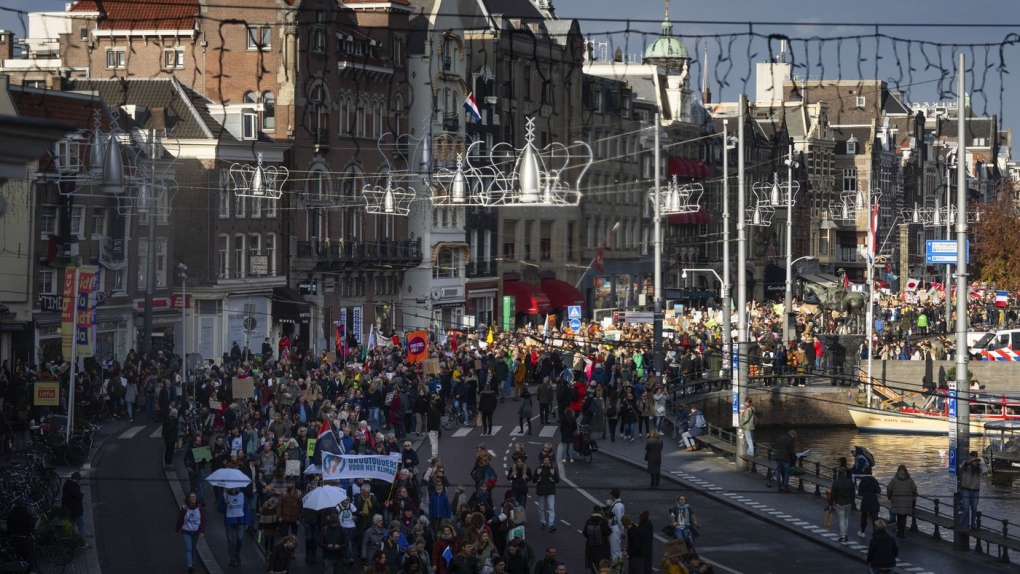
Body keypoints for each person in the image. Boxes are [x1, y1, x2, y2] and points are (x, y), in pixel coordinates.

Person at [174, 492, 206, 574]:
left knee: (193, 548)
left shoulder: (199, 508)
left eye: (194, 497)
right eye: (191, 497)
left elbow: (202, 520)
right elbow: (180, 520)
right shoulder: (184, 508)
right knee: (189, 547)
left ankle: (191, 562)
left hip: (196, 531)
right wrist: (177, 530)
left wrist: (202, 531)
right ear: (188, 499)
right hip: (186, 531)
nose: (193, 498)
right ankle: (189, 565)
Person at [217, 486, 249, 566]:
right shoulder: (224, 496)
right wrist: (225, 503)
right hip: (229, 521)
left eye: (235, 487)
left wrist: (247, 523)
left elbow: (246, 510)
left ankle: (237, 553)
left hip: (240, 521)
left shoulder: (242, 495)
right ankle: (232, 557)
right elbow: (220, 509)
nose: (233, 489)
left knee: (240, 538)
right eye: (231, 487)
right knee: (230, 540)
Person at [886, 464, 917, 538]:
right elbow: (914, 489)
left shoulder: (894, 479)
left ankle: (898, 532)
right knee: (903, 517)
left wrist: (889, 497)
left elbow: (889, 488)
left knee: (899, 516)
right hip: (906, 500)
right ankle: (902, 533)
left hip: (896, 499)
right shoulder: (909, 479)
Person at [959, 450, 986, 530]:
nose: (973, 458)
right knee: (966, 508)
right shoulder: (965, 463)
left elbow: (980, 471)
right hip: (966, 489)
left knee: (974, 508)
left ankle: (973, 524)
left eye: (974, 457)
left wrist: (975, 465)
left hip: (975, 490)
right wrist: (969, 463)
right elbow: (963, 467)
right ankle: (965, 525)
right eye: (972, 457)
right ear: (970, 457)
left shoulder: (979, 464)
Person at [828, 467, 855, 542]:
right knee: (846, 518)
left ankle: (842, 536)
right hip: (848, 502)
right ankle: (845, 534)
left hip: (839, 503)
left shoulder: (836, 482)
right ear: (845, 473)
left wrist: (830, 504)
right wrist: (852, 501)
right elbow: (853, 494)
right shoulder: (850, 482)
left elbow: (833, 494)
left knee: (841, 519)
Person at [533, 455, 559, 531]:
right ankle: (543, 522)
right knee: (541, 508)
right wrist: (537, 474)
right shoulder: (538, 469)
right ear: (542, 461)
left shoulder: (553, 469)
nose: (546, 462)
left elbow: (557, 481)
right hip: (541, 491)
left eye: (547, 460)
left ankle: (551, 524)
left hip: (550, 491)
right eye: (545, 460)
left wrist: (553, 474)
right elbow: (534, 480)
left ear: (550, 461)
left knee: (551, 507)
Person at [62, 471, 87, 546]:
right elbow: (78, 497)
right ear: (77, 479)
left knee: (72, 526)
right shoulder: (74, 486)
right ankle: (83, 542)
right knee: (81, 525)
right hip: (76, 510)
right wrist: (81, 493)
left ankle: (71, 542)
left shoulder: (66, 484)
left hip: (69, 509)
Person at [857, 467, 882, 539]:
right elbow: (878, 490)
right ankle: (875, 533)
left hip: (865, 500)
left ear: (864, 472)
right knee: (875, 518)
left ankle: (862, 532)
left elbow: (860, 493)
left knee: (864, 517)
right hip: (873, 500)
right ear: (871, 472)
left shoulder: (862, 481)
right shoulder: (874, 480)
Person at [605, 488, 624, 561]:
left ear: (613, 495)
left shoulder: (617, 506)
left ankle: (617, 570)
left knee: (615, 551)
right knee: (616, 550)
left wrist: (622, 531)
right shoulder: (617, 504)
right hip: (616, 528)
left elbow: (619, 520)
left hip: (615, 529)